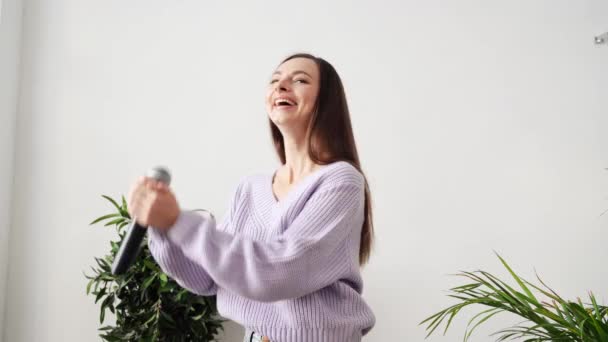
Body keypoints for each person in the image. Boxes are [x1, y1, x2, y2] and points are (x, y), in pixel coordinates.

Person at [127, 53, 376, 342]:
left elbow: (279, 273)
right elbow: (207, 279)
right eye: (274, 80)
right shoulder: (250, 188)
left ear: (326, 100)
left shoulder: (340, 181)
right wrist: (163, 229)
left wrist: (178, 221)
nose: (281, 85)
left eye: (299, 80)